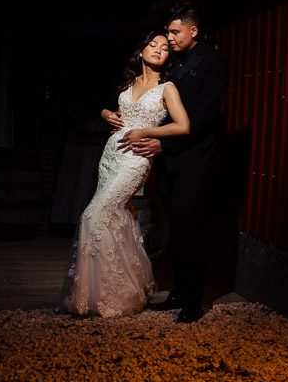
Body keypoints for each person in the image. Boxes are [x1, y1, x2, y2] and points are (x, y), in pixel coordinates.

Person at [58, 31, 190, 317]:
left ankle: (113, 295)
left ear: (169, 56)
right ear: (141, 51)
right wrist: (107, 113)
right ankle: (108, 293)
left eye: (165, 47)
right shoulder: (129, 83)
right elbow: (114, 109)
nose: (157, 50)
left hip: (136, 159)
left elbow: (183, 126)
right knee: (120, 217)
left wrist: (146, 131)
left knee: (94, 215)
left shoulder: (167, 87)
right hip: (110, 156)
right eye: (152, 45)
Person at [128, 5, 228, 323]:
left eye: (174, 32)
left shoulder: (213, 62)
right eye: (168, 33)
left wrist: (164, 142)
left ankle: (193, 301)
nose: (169, 38)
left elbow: (204, 115)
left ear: (192, 30)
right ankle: (179, 292)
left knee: (189, 227)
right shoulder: (174, 62)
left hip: (194, 159)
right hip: (167, 159)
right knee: (175, 226)